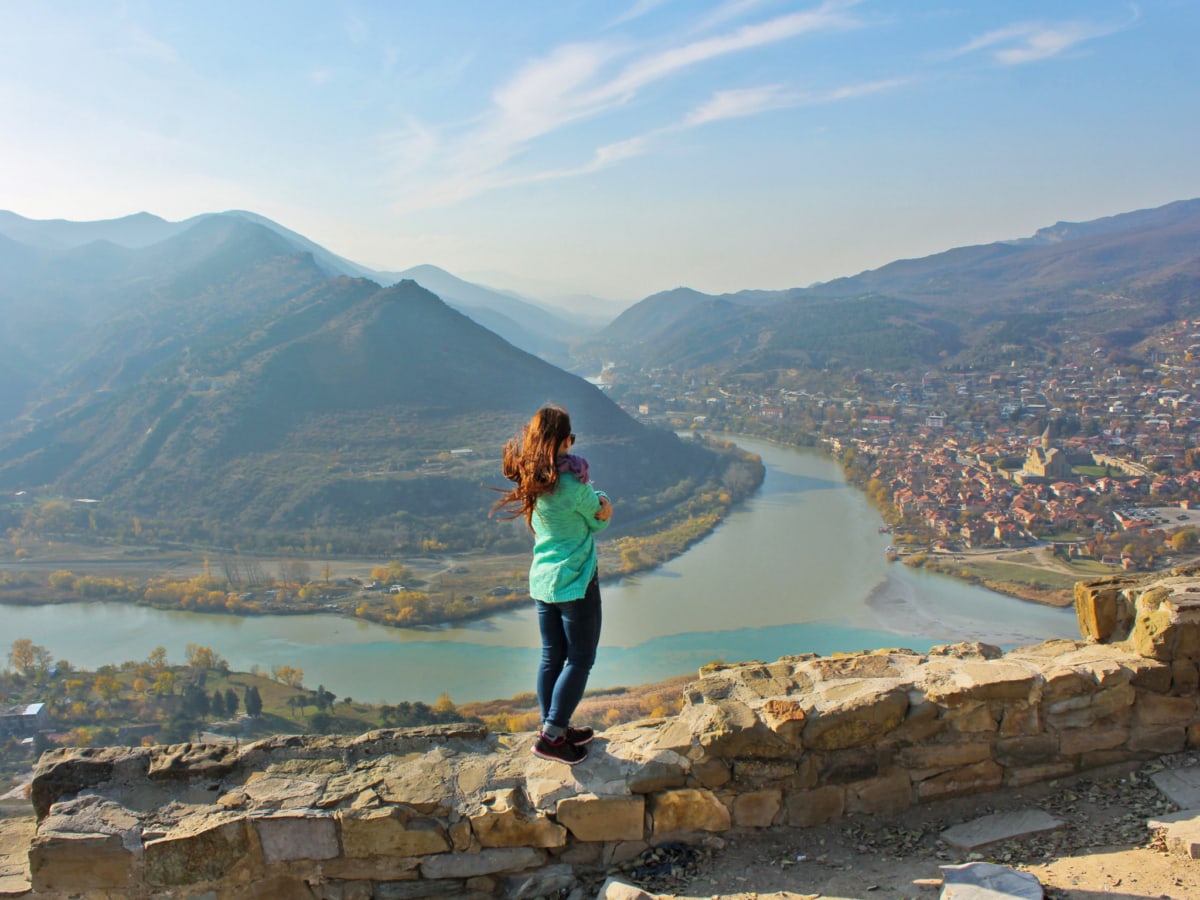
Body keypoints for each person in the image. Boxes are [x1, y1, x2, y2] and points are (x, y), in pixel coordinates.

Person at [492, 405, 613, 764]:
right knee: (580, 658)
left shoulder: (531, 479)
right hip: (575, 581)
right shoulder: (574, 484)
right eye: (571, 437)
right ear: (562, 441)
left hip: (544, 581)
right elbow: (598, 521)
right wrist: (604, 501)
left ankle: (552, 726)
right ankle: (552, 735)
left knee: (551, 657)